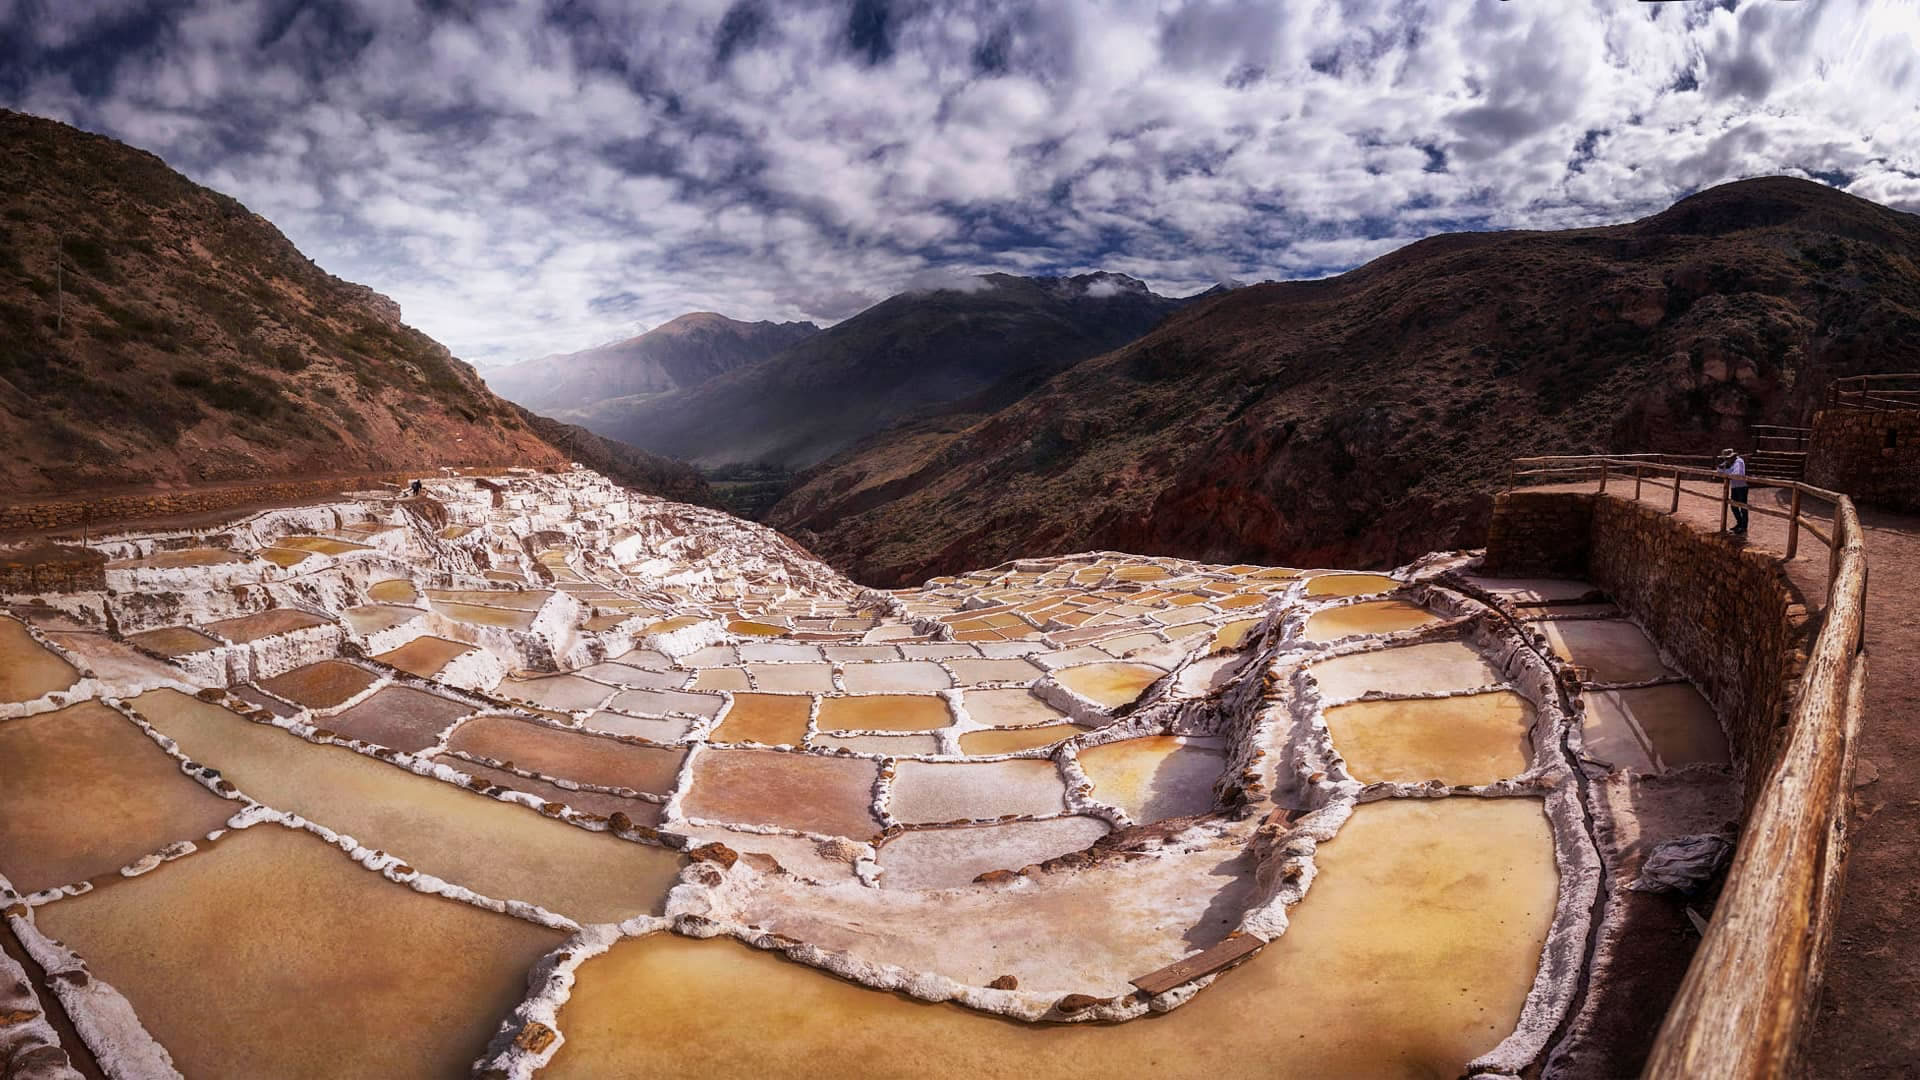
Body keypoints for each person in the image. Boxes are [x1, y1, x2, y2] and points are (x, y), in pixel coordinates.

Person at [1717, 448, 1748, 535]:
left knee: (1743, 507)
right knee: (1734, 506)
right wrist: (1724, 467)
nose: (1725, 460)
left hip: (1741, 487)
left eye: (1727, 458)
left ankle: (1743, 527)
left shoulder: (1739, 462)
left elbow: (1736, 474)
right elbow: (1719, 470)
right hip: (1735, 486)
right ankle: (1739, 524)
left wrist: (1726, 470)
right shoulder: (1731, 462)